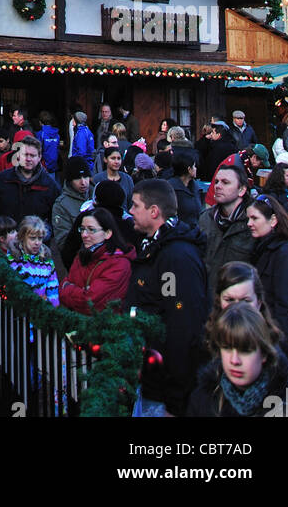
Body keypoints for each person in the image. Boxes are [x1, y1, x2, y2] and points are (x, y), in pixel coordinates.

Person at [127, 179, 208, 417]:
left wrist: (175, 401)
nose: (129, 211)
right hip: (151, 379)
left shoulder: (176, 257)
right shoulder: (154, 246)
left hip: (165, 392)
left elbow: (182, 327)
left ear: (154, 211)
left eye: (135, 205)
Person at [187, 304, 288, 417]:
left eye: (245, 351)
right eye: (227, 348)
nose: (234, 361)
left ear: (264, 354)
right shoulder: (202, 401)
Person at [246, 193, 288, 379]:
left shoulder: (285, 255)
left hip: (279, 349)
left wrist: (279, 352)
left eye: (254, 218)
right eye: (248, 218)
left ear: (273, 221)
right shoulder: (260, 249)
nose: (249, 223)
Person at [60, 205, 134, 313]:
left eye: (91, 230)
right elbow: (62, 291)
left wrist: (69, 289)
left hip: (106, 327)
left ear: (108, 233)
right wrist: (81, 292)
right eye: (82, 229)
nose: (84, 235)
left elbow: (91, 303)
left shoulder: (119, 263)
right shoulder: (81, 256)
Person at [199, 163, 254, 296]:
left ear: (241, 190)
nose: (218, 186)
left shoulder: (252, 222)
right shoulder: (206, 218)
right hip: (208, 299)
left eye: (225, 182)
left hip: (239, 301)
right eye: (217, 182)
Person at [0, 135, 60, 232]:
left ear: (39, 157)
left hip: (36, 242)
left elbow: (57, 216)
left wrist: (45, 232)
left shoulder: (49, 185)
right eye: (25, 155)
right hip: (6, 240)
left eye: (32, 156)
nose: (28, 159)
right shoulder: (3, 179)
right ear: (18, 156)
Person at [3, 216, 60, 306]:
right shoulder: (11, 259)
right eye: (32, 238)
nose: (37, 243)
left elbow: (53, 292)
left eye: (40, 238)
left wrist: (53, 313)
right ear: (22, 237)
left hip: (40, 314)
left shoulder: (47, 262)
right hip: (15, 314)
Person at [52, 158, 93, 255]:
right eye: (77, 178)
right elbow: (63, 243)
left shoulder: (97, 195)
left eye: (85, 177)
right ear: (70, 181)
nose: (83, 182)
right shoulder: (61, 205)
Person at [168, 149, 203, 226]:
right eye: (194, 166)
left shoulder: (195, 188)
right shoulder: (170, 188)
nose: (196, 169)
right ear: (189, 169)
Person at [35, 112, 61, 176]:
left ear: (40, 122)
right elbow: (57, 149)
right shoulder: (57, 134)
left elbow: (37, 150)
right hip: (54, 164)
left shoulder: (40, 134)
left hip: (43, 165)